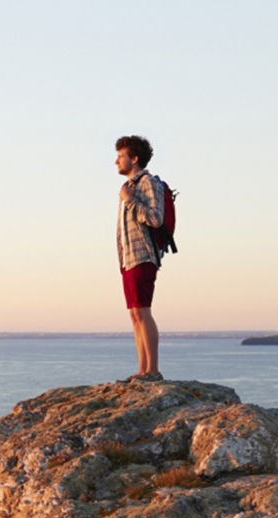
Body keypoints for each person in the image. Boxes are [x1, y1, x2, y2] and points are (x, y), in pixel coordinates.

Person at [115, 135, 164, 381]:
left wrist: (130, 201)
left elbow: (156, 218)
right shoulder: (129, 187)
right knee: (135, 314)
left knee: (143, 312)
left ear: (134, 158)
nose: (116, 161)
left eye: (121, 156)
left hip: (143, 256)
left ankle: (152, 371)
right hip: (129, 259)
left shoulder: (148, 183)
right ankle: (142, 370)